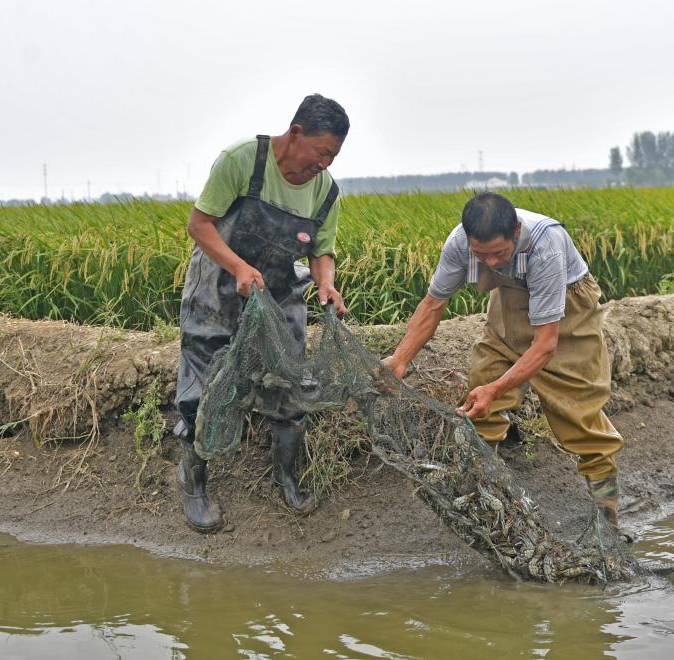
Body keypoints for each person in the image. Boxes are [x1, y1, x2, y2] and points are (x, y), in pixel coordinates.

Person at [381, 192, 626, 529]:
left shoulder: (546, 245)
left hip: (569, 310)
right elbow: (433, 304)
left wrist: (495, 389)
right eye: (481, 255)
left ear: (516, 232)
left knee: (580, 416)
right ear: (468, 241)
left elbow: (545, 345)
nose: (491, 262)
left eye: (499, 253)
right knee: (478, 400)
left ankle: (608, 518)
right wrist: (400, 359)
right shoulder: (458, 244)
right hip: (509, 303)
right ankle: (485, 508)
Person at [174, 94, 350, 532]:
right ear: (295, 135)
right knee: (202, 391)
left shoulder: (325, 190)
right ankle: (194, 484)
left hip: (278, 298)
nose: (324, 163)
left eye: (333, 156)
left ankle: (285, 477)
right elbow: (200, 225)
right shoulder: (243, 161)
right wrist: (237, 266)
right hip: (217, 292)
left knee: (291, 387)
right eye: (321, 151)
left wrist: (325, 282)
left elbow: (322, 251)